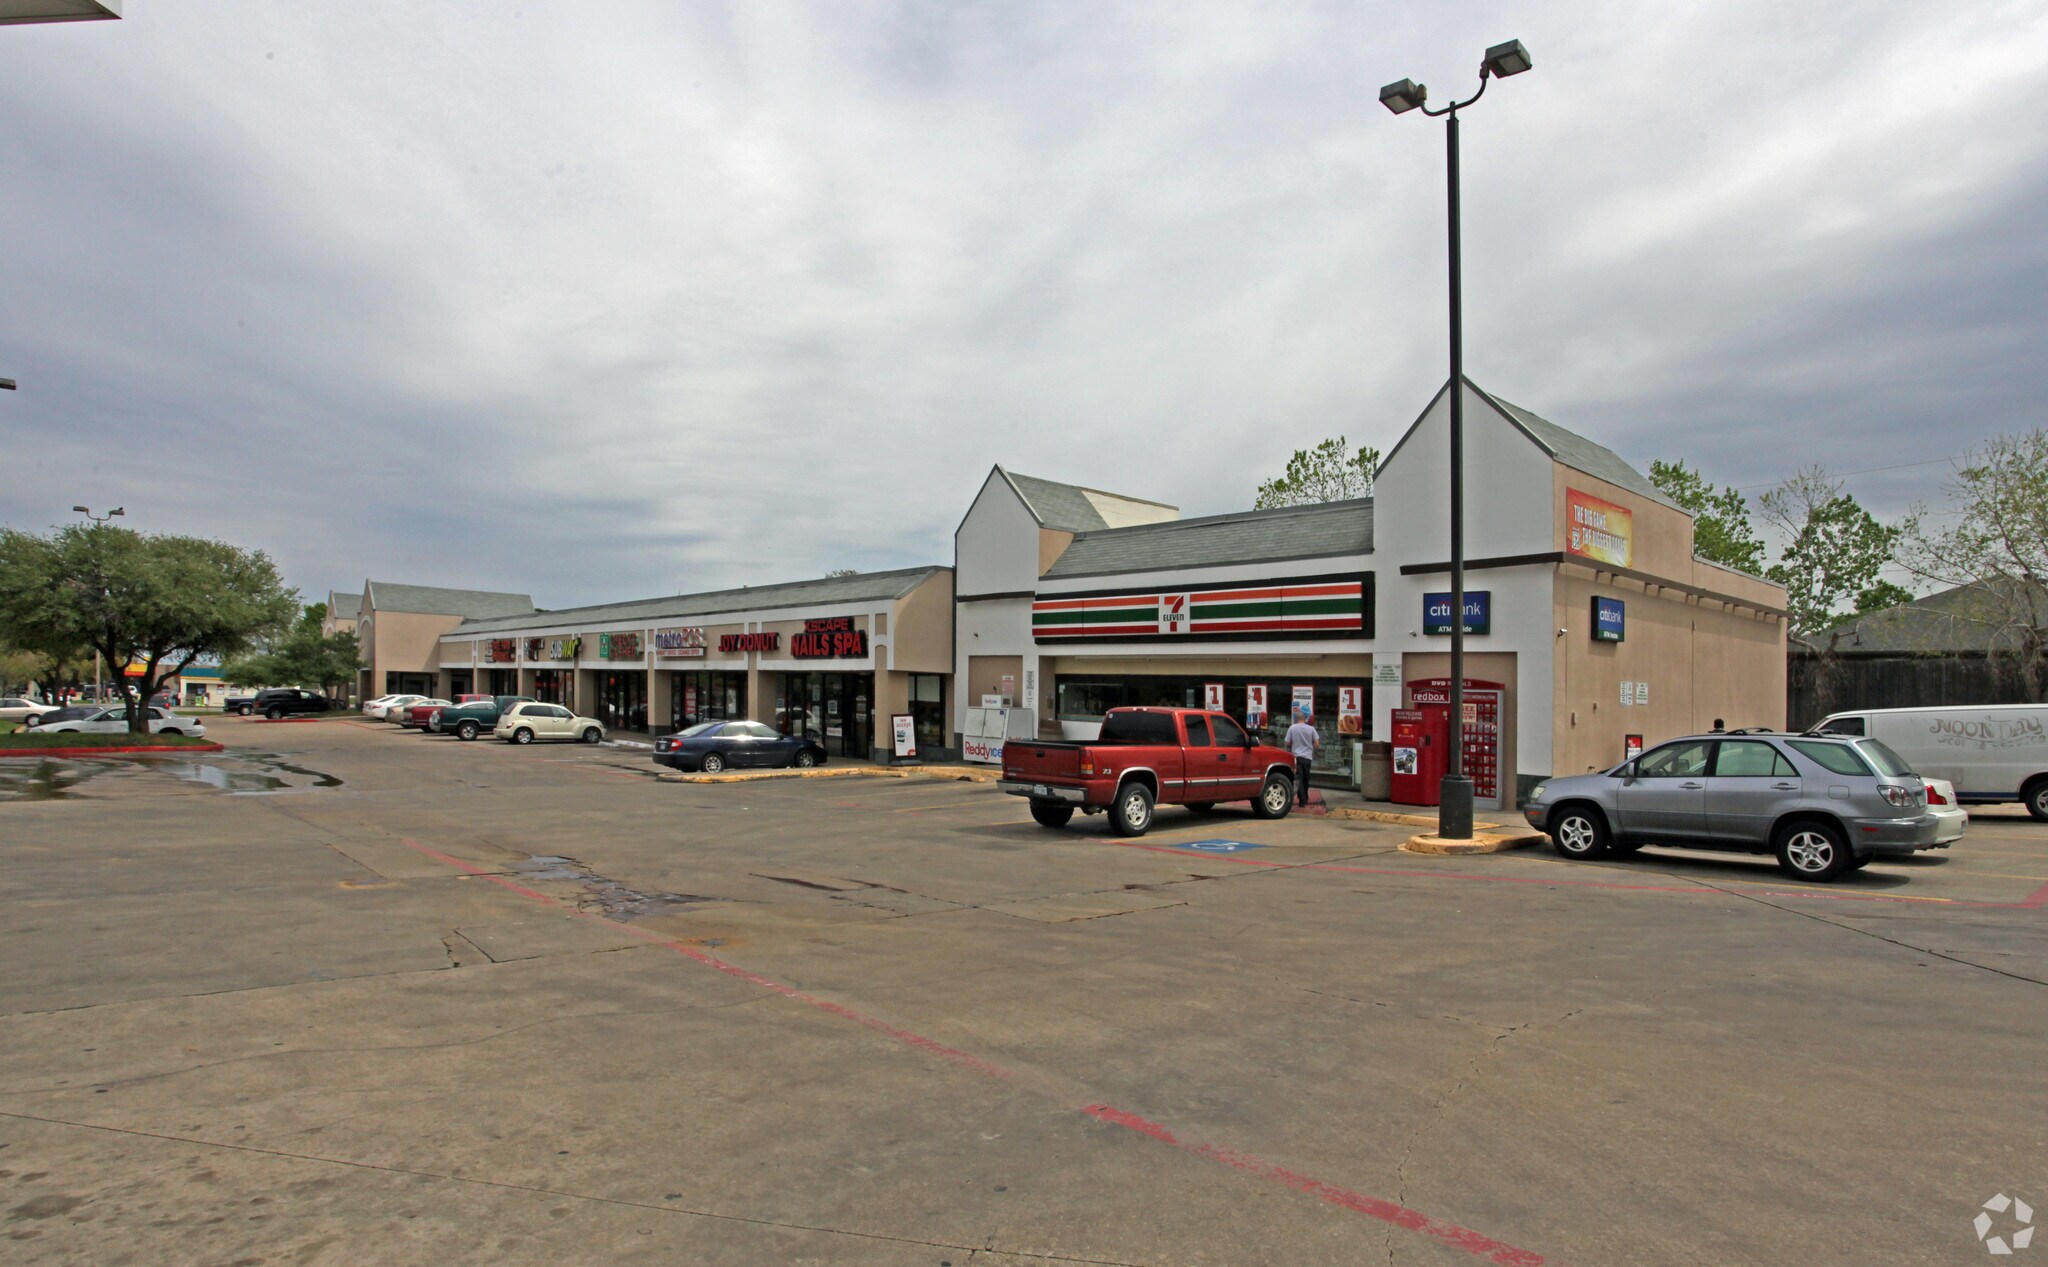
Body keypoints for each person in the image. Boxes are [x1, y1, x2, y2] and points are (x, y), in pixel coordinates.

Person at [1284, 708, 1320, 807]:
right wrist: (1313, 751)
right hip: (1308, 757)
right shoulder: (1311, 729)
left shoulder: (1292, 728)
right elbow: (1317, 744)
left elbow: (1287, 742)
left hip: (1296, 757)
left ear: (1296, 718)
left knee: (1298, 778)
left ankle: (1302, 799)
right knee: (1306, 778)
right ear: (1305, 718)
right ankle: (1304, 798)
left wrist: (1291, 746)